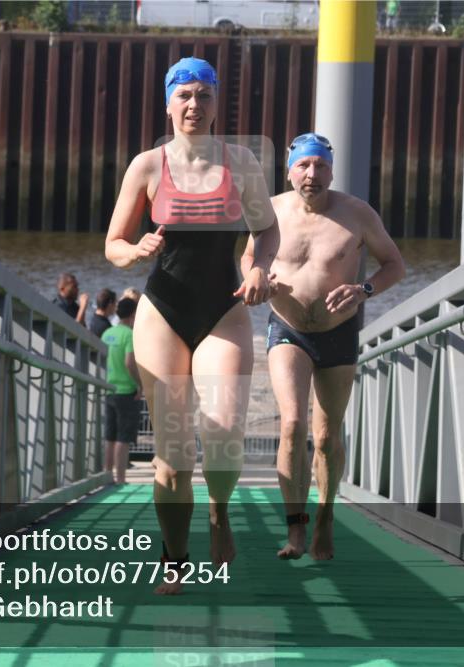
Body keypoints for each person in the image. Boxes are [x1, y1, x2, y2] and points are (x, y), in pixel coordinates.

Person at [105, 56, 280, 594]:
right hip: (163, 310)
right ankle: (174, 559)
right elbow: (112, 244)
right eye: (184, 95)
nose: (194, 105)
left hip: (221, 307)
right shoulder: (148, 165)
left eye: (204, 96)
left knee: (224, 427)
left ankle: (219, 514)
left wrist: (258, 269)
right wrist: (134, 251)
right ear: (168, 103)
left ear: (214, 105)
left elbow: (267, 231)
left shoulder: (242, 162)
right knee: (173, 457)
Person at [241, 133, 405, 561]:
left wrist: (364, 289)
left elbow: (395, 265)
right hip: (287, 328)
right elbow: (248, 258)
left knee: (327, 435)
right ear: (289, 170)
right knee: (292, 425)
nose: (313, 175)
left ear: (331, 170)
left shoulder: (357, 214)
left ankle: (325, 517)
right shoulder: (271, 210)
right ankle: (295, 527)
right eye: (304, 166)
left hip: (339, 332)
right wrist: (259, 278)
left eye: (321, 166)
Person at [102, 298, 142, 484]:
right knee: (123, 437)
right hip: (126, 390)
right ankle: (120, 479)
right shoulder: (129, 335)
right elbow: (129, 362)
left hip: (109, 388)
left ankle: (106, 474)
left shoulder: (107, 333)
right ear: (133, 314)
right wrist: (140, 384)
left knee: (110, 435)